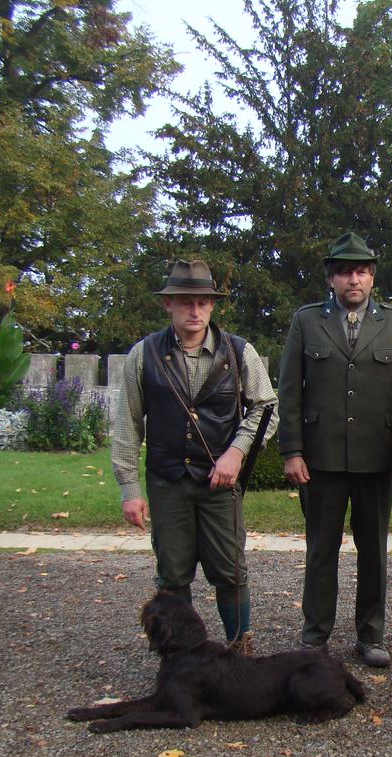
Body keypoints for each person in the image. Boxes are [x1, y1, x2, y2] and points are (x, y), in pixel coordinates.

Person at [111, 259, 278, 653]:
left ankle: (239, 652)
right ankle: (180, 656)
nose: (195, 311)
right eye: (186, 302)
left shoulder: (239, 352)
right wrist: (129, 488)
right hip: (167, 482)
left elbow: (267, 408)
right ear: (168, 304)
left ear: (213, 306)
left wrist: (236, 452)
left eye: (203, 302)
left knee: (230, 571)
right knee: (172, 575)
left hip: (220, 484)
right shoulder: (143, 355)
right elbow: (127, 423)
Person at [277, 232, 392, 667]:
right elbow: (290, 391)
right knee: (321, 551)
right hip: (320, 460)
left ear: (372, 277)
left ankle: (371, 635)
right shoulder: (307, 321)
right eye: (343, 272)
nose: (352, 280)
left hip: (378, 460)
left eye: (361, 271)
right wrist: (292, 451)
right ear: (331, 279)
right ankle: (315, 636)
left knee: (373, 551)